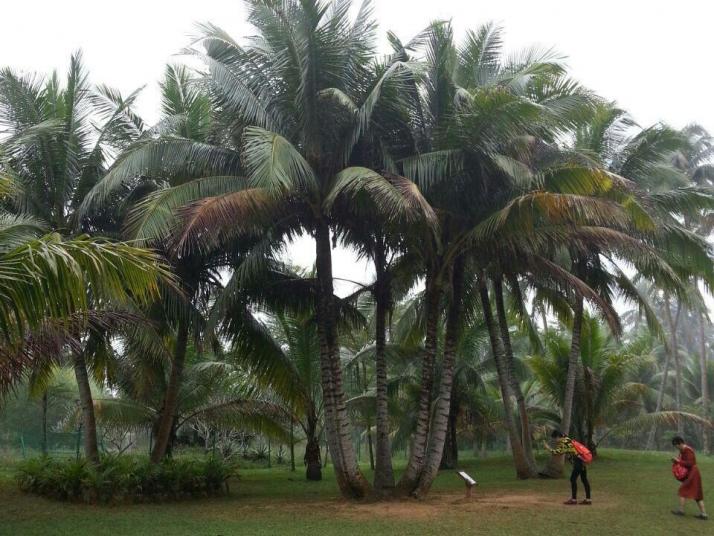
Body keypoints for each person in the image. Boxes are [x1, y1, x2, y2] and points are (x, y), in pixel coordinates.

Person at [544, 430, 591, 505]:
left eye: (555, 439)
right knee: (584, 479)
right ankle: (588, 499)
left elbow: (557, 452)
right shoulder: (568, 439)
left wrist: (548, 448)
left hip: (578, 462)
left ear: (558, 437)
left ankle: (574, 500)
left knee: (573, 479)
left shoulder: (564, 442)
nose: (555, 441)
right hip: (582, 461)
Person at [671, 436, 707, 520]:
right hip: (692, 473)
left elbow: (690, 463)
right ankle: (704, 514)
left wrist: (678, 461)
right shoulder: (683, 450)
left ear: (680, 443)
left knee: (683, 490)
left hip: (693, 473)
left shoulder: (688, 450)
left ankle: (681, 511)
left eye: (676, 445)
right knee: (697, 494)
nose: (676, 447)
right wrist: (677, 461)